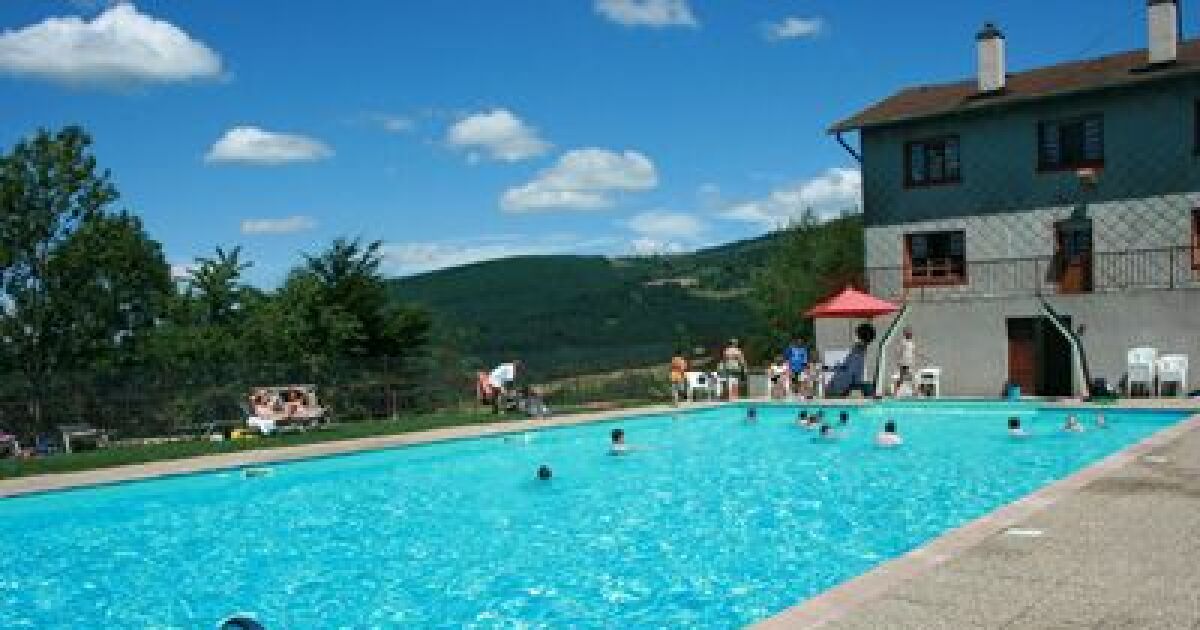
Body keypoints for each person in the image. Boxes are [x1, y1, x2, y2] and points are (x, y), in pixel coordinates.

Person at [895, 328, 917, 396]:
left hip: (910, 362)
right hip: (904, 362)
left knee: (912, 377)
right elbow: (899, 352)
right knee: (902, 377)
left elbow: (912, 352)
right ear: (905, 334)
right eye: (908, 333)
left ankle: (915, 391)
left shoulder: (912, 343)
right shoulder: (902, 342)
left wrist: (914, 360)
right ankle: (897, 392)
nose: (910, 335)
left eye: (910, 333)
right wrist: (898, 361)